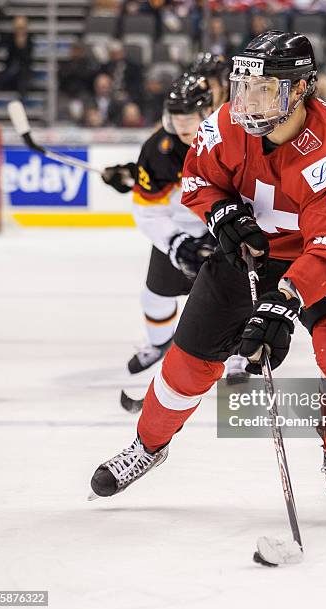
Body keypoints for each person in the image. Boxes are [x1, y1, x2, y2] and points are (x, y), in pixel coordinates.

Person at [90, 31, 326, 526]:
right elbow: (197, 179)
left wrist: (283, 303)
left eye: (265, 89)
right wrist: (221, 211)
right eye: (243, 87)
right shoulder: (226, 123)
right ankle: (148, 445)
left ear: (301, 89)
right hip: (248, 256)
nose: (247, 102)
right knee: (187, 365)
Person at [101, 71, 249, 383]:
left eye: (188, 118)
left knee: (236, 296)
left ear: (206, 112)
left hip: (223, 229)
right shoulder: (158, 149)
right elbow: (146, 209)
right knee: (154, 296)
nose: (182, 127)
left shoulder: (232, 138)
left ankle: (237, 353)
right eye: (176, 118)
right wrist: (175, 241)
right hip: (179, 231)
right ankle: (158, 343)